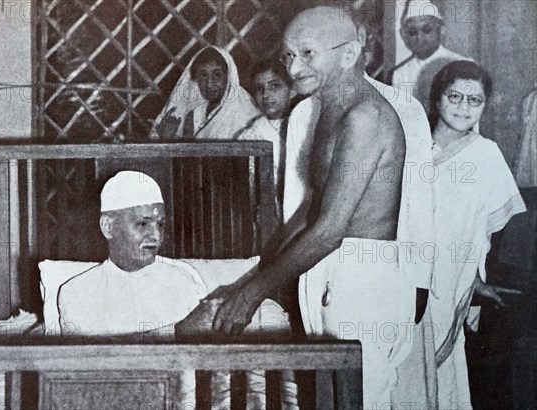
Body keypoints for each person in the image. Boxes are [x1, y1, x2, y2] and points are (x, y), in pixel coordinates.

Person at [194, 6, 436, 408]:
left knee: (363, 401)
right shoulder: (325, 108)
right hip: (330, 271)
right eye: (289, 55)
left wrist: (254, 292)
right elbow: (312, 210)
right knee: (325, 402)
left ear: (349, 53)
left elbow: (330, 228)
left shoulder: (366, 116)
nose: (295, 66)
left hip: (365, 281)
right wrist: (254, 274)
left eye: (308, 53)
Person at [58, 170, 298, 409]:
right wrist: (180, 331)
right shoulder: (76, 291)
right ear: (108, 226)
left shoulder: (183, 278)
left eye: (160, 224)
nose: (156, 236)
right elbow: (92, 368)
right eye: (142, 224)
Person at [427, 61, 526, 408]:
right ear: (437, 99)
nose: (463, 107)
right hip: (407, 278)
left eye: (475, 100)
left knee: (443, 376)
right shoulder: (411, 148)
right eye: (454, 96)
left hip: (454, 281)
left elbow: (483, 232)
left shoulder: (486, 155)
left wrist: (476, 281)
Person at [235, 58, 300, 219]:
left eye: (274, 86)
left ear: (292, 90)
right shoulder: (249, 137)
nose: (266, 95)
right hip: (268, 216)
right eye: (259, 89)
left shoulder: (306, 125)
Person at [152, 46, 259, 140]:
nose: (209, 84)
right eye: (203, 75)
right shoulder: (194, 114)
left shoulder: (247, 113)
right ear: (195, 78)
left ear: (229, 76)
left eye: (217, 75)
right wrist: (167, 138)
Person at [390, 0, 472, 112]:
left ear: (441, 30)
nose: (419, 37)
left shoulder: (463, 65)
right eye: (413, 32)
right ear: (405, 36)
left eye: (426, 29)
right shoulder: (401, 73)